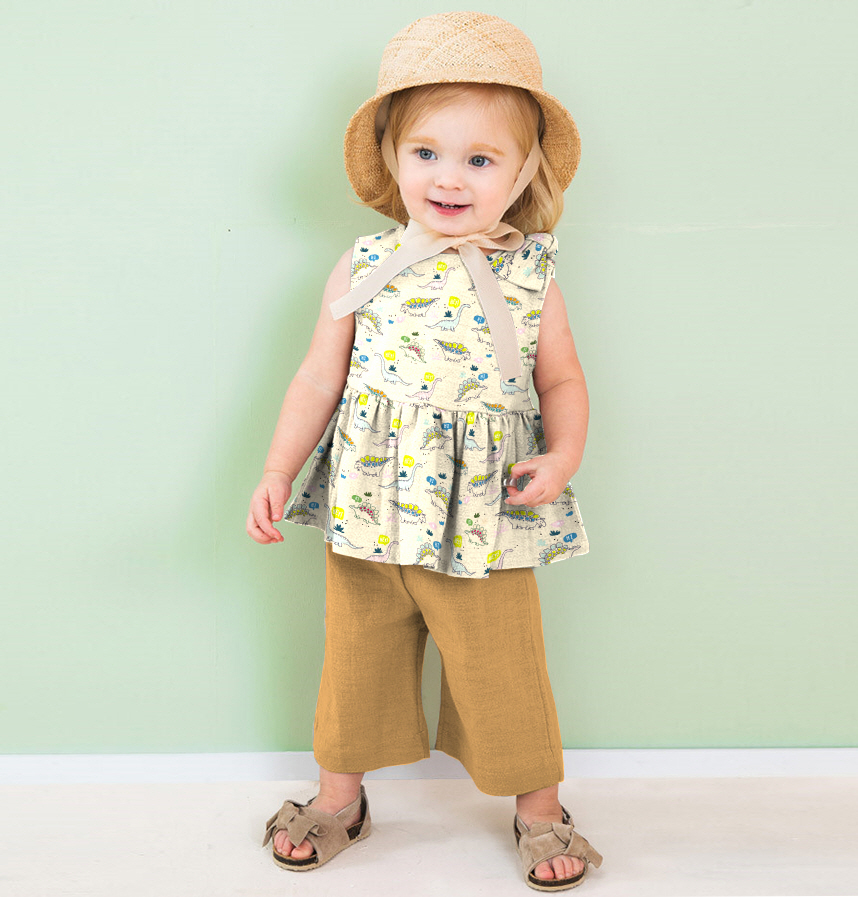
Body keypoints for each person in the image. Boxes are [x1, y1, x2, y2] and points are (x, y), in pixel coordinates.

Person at [248, 11, 604, 891]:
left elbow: (562, 379)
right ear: (392, 156)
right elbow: (317, 378)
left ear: (521, 173)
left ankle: (539, 808)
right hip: (367, 503)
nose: (449, 176)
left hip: (486, 508)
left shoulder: (531, 274)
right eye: (426, 152)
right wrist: (278, 468)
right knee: (355, 656)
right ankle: (339, 799)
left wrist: (563, 457)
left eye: (480, 159)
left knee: (503, 662)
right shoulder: (364, 262)